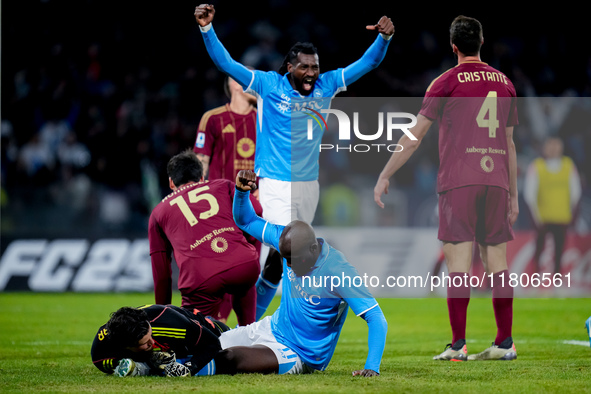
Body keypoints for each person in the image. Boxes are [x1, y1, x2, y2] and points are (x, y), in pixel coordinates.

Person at [194, 3, 394, 316]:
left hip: (308, 186)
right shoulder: (267, 85)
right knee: (296, 252)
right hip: (274, 183)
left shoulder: (327, 85)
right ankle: (293, 325)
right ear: (290, 67)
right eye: (305, 67)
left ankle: (248, 324)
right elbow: (225, 63)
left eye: (315, 67)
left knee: (276, 262)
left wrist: (384, 39)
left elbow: (367, 64)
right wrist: (207, 29)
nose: (311, 73)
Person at [374, 15, 519, 361]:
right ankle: (505, 343)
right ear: (481, 42)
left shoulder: (445, 82)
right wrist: (513, 194)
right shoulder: (506, 83)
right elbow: (510, 144)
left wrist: (385, 174)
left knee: (458, 263)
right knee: (497, 262)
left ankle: (458, 345)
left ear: (453, 46)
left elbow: (414, 137)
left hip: (460, 182)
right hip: (496, 180)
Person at [218, 169, 388, 377]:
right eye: (286, 259)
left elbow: (375, 317)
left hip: (299, 354)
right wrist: (241, 192)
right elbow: (246, 221)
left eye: (294, 260)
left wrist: (372, 367)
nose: (289, 265)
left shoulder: (337, 271)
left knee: (229, 357)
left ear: (314, 249)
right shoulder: (287, 240)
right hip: (271, 328)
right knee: (212, 343)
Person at [148, 149, 260, 326]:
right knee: (244, 283)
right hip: (243, 264)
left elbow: (162, 274)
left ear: (171, 183)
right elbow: (257, 212)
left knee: (195, 336)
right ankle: (249, 332)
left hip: (201, 277)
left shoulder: (158, 213)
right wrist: (241, 245)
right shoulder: (224, 185)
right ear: (202, 177)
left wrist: (163, 314)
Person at [90, 304, 229, 377]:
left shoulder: (171, 324)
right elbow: (100, 363)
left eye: (150, 335)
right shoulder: (103, 345)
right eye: (144, 343)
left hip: (214, 331)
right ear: (125, 346)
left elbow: (213, 343)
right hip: (178, 345)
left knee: (230, 357)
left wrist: (189, 367)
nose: (151, 342)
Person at [524, 137, 582, 275]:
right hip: (542, 217)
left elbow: (576, 192)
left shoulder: (569, 165)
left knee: (559, 249)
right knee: (539, 247)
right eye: (550, 145)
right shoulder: (537, 166)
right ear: (544, 147)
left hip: (562, 217)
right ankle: (535, 274)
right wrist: (535, 216)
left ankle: (557, 276)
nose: (554, 148)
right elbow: (529, 194)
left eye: (557, 145)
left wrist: (572, 213)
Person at [193, 75, 257, 182]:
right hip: (221, 194)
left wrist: (265, 190)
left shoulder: (265, 120)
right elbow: (201, 159)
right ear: (236, 84)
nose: (259, 85)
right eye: (253, 80)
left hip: (256, 195)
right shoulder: (213, 118)